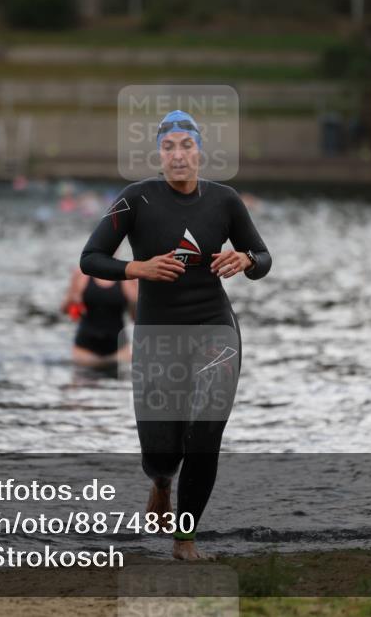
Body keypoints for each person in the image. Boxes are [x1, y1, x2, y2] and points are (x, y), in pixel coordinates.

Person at [80, 109, 271, 560]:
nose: (179, 155)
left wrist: (245, 260)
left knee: (205, 434)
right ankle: (162, 483)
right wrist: (135, 267)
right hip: (157, 334)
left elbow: (263, 257)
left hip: (214, 327)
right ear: (159, 154)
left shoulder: (225, 201)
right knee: (161, 450)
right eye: (169, 147)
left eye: (187, 146)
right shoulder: (135, 200)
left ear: (201, 151)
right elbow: (90, 258)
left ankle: (185, 539)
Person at [61, 269, 137, 368]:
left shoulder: (128, 277)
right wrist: (72, 299)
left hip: (119, 352)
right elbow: (65, 310)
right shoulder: (81, 274)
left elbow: (135, 319)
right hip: (85, 351)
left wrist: (134, 302)